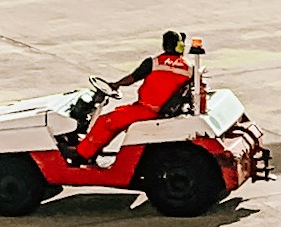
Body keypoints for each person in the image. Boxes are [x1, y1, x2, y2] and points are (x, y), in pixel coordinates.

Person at [71, 30, 198, 165]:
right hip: (165, 110)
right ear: (180, 46)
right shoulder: (190, 68)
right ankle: (94, 149)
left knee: (105, 121)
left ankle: (82, 154)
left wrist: (116, 84)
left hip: (147, 110)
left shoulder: (154, 62)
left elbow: (132, 78)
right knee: (119, 117)